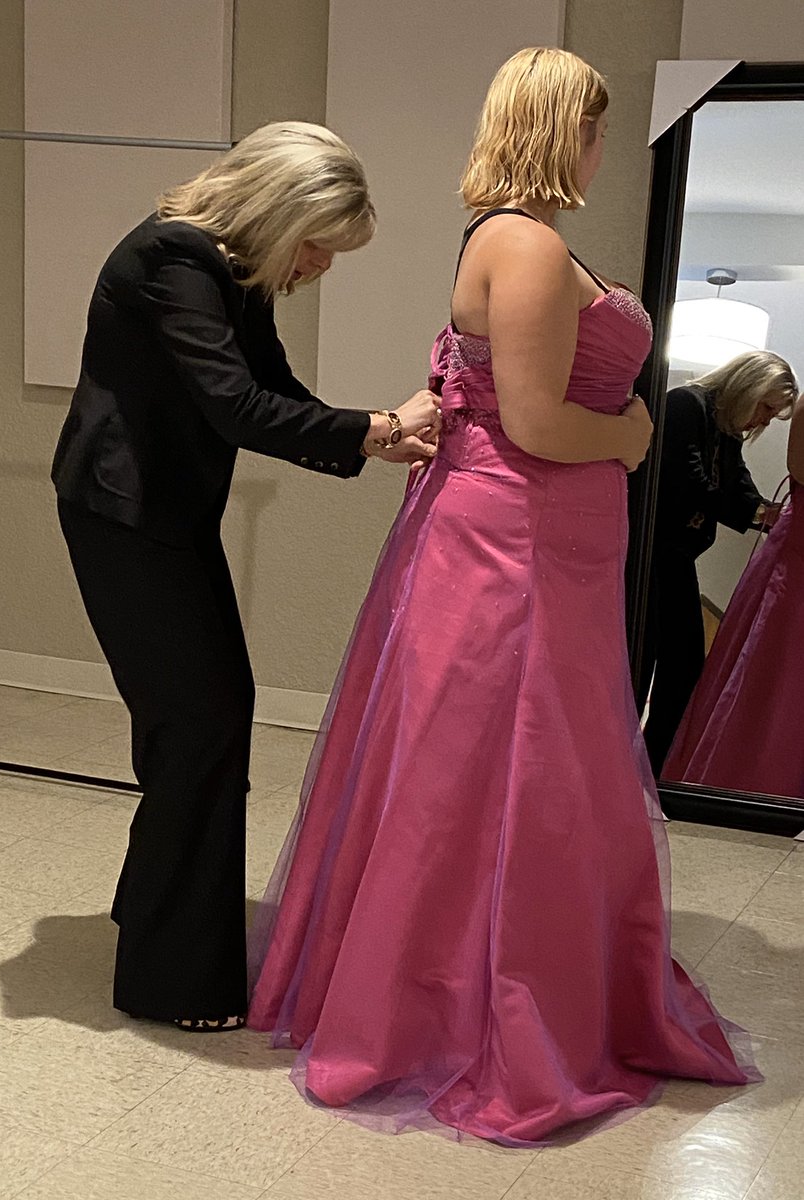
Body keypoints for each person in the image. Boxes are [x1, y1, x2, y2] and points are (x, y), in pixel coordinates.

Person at [247, 47, 758, 1147]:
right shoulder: (523, 244)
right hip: (515, 546)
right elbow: (533, 423)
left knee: (508, 769)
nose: (597, 144)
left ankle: (490, 985)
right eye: (591, 124)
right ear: (556, 126)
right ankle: (476, 1009)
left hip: (529, 544)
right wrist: (634, 435)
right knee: (504, 771)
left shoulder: (518, 241)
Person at [51, 122, 441, 1032]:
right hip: (123, 516)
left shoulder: (230, 272)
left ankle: (155, 915)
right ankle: (167, 978)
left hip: (165, 516)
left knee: (196, 721)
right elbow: (234, 406)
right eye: (321, 242)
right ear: (281, 213)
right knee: (204, 720)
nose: (323, 264)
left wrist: (375, 437)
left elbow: (279, 392)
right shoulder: (171, 259)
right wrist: (378, 428)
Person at [641, 353, 798, 776]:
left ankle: (652, 767)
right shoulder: (684, 405)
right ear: (748, 386)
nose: (761, 422)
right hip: (649, 557)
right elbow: (691, 481)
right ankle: (638, 767)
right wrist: (762, 516)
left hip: (675, 556)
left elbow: (735, 480)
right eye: (765, 407)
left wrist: (768, 515)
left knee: (683, 665)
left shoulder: (720, 425)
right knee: (647, 661)